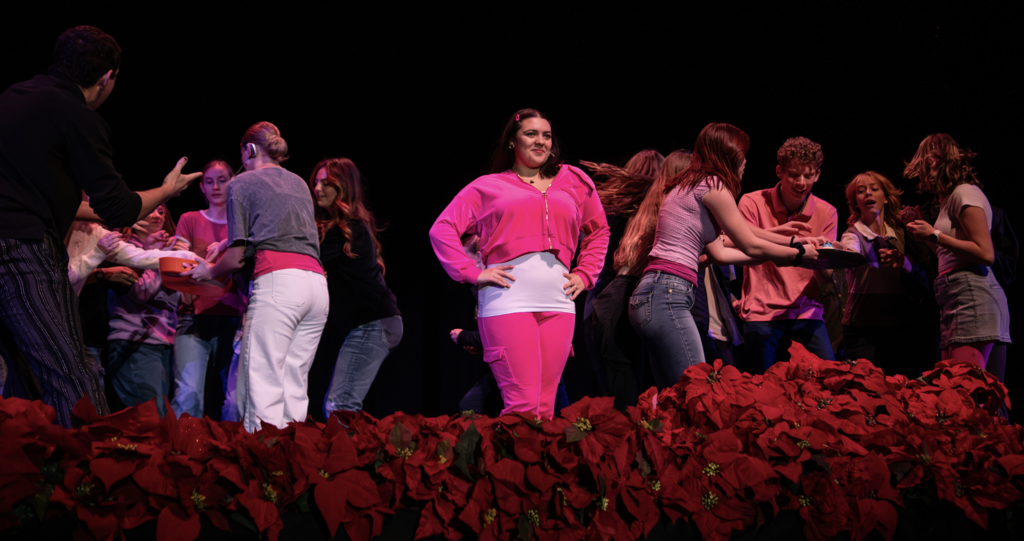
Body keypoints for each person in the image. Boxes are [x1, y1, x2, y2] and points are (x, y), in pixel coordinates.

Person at [0, 25, 199, 426]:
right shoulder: (76, 114)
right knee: (71, 371)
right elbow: (119, 208)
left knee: (21, 374)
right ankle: (98, 463)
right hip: (22, 248)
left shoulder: (12, 97)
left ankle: (32, 461)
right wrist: (167, 189)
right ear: (107, 77)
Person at [429, 108, 610, 419]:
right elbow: (442, 229)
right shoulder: (488, 186)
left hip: (559, 302)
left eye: (546, 135)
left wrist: (585, 274)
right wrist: (472, 272)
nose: (540, 141)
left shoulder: (574, 180)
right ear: (513, 141)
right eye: (531, 134)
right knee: (523, 408)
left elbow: (599, 230)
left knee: (545, 409)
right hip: (508, 300)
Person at [629, 123, 819, 389]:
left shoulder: (690, 185)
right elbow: (749, 243)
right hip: (668, 295)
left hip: (650, 295)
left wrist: (786, 248)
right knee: (695, 392)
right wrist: (797, 254)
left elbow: (720, 253)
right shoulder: (713, 185)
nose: (746, 162)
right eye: (743, 154)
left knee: (671, 397)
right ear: (729, 155)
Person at [184, 122, 327, 432]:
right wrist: (229, 241)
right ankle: (294, 456)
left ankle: (263, 460)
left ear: (248, 150)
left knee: (263, 384)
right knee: (294, 384)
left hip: (280, 284)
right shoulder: (299, 182)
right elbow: (277, 228)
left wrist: (209, 271)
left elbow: (236, 258)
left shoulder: (241, 183)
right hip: (317, 287)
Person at [902, 134, 1011, 368]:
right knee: (957, 383)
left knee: (962, 386)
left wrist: (933, 234)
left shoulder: (964, 193)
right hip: (957, 295)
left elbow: (985, 253)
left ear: (940, 162)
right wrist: (925, 231)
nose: (924, 176)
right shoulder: (950, 199)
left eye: (927, 167)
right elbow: (948, 254)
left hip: (971, 295)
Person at [306, 158, 402, 420]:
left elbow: (301, 253)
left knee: (340, 405)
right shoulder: (342, 229)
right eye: (316, 182)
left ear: (343, 187)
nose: (317, 188)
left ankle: (349, 449)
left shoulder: (349, 229)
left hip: (373, 323)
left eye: (326, 183)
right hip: (374, 324)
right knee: (339, 404)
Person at [735, 136, 838, 372]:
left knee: (830, 377)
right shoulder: (751, 202)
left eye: (808, 175)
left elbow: (824, 277)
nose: (801, 182)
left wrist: (828, 260)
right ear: (779, 171)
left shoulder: (828, 212)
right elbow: (740, 249)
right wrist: (794, 247)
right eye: (793, 174)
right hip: (762, 312)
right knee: (760, 384)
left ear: (817, 175)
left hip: (806, 311)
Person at [581, 150, 663, 408]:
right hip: (628, 300)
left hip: (598, 302)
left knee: (609, 385)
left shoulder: (608, 210)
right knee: (635, 386)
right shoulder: (653, 214)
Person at [835, 172, 935, 377]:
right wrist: (843, 252)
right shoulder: (853, 234)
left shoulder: (900, 234)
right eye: (861, 191)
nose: (867, 193)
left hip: (900, 326)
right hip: (862, 329)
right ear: (855, 203)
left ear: (886, 198)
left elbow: (924, 275)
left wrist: (903, 262)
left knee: (902, 387)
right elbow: (850, 250)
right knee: (867, 387)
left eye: (874, 189)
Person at [171, 160, 248, 420]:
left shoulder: (242, 225)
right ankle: (184, 445)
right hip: (195, 317)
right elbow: (179, 261)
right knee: (188, 394)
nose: (215, 187)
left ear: (233, 183)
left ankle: (232, 447)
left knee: (232, 399)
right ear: (202, 187)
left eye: (222, 180)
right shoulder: (189, 219)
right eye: (209, 181)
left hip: (235, 319)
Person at [105, 205, 183, 416]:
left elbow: (177, 300)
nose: (158, 215)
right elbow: (140, 293)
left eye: (161, 211)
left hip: (165, 342)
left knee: (164, 416)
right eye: (151, 209)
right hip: (134, 341)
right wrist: (154, 256)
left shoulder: (169, 249)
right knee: (150, 418)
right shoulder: (122, 248)